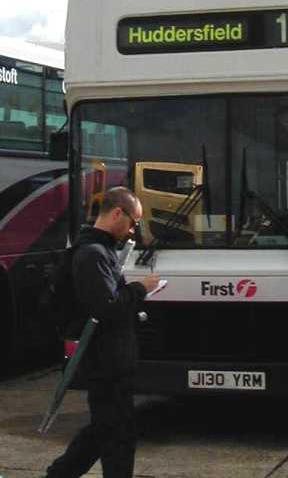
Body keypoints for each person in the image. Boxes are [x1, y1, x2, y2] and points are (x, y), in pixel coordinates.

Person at [44, 187, 161, 478]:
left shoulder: (101, 251)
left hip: (112, 360)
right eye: (133, 221)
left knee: (105, 431)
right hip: (104, 362)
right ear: (117, 213)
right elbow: (106, 308)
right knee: (118, 436)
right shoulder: (91, 255)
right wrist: (140, 289)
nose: (134, 230)